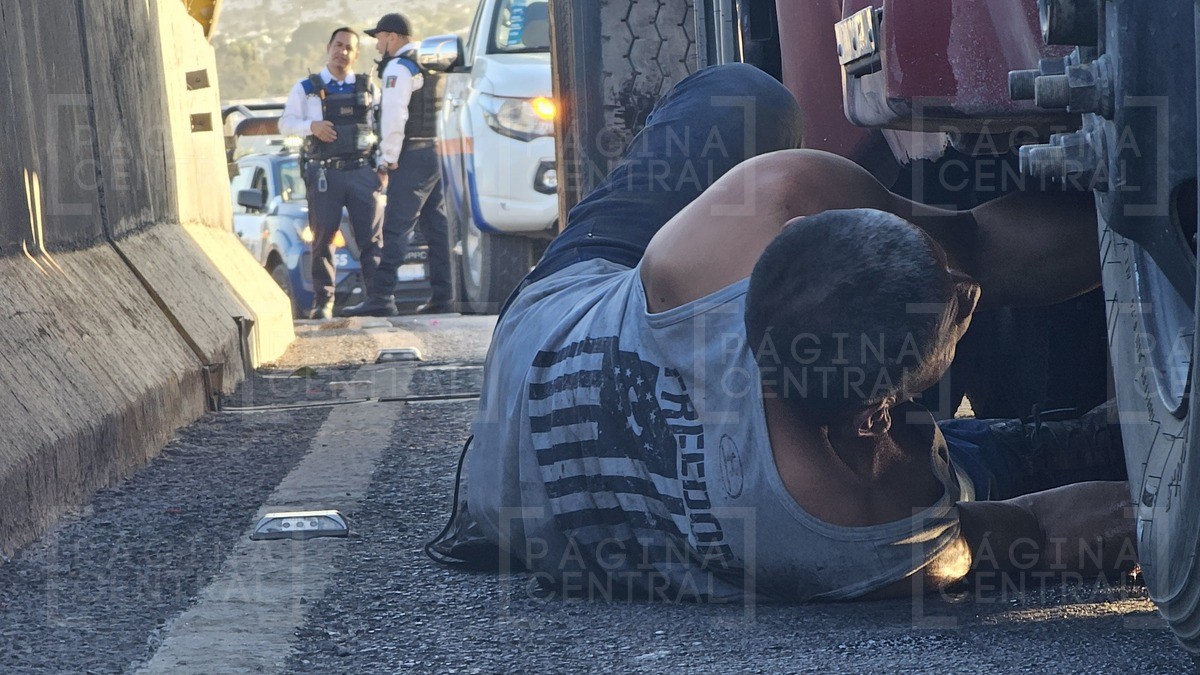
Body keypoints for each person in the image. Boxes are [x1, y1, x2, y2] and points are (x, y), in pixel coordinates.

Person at [427, 64, 1135, 602]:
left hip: (535, 360)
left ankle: (1049, 442)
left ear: (791, 241)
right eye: (955, 311)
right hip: (523, 493)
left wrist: (1161, 203)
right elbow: (1036, 532)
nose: (967, 289)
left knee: (743, 97)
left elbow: (975, 246)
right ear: (872, 415)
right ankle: (1051, 443)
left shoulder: (757, 212)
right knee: (949, 477)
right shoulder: (856, 526)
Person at [341, 13, 454, 317]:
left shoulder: (399, 68)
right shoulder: (428, 62)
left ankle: (381, 296)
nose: (378, 46)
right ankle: (444, 295)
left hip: (411, 155)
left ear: (392, 37)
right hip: (436, 152)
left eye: (379, 39)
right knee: (436, 226)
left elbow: (394, 116)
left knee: (395, 227)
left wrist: (387, 158)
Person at [279, 27, 384, 320]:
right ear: (328, 47)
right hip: (325, 173)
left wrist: (382, 167)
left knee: (371, 239)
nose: (343, 52)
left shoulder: (367, 88)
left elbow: (382, 126)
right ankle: (324, 301)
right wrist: (311, 127)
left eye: (349, 48)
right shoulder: (307, 88)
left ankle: (377, 299)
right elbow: (285, 124)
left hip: (362, 171)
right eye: (338, 45)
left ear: (356, 54)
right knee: (323, 238)